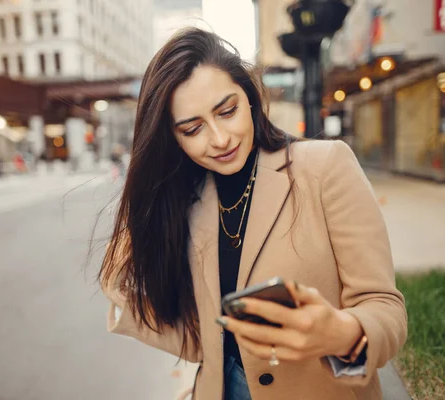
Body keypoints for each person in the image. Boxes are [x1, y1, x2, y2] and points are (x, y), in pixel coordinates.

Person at [99, 28, 407, 400]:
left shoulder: (325, 167)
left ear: (249, 97)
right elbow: (204, 344)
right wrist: (122, 290)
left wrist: (341, 332)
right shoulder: (192, 200)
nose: (219, 138)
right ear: (174, 138)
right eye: (193, 128)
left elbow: (385, 308)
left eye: (226, 111)